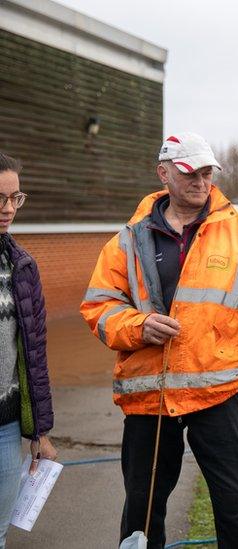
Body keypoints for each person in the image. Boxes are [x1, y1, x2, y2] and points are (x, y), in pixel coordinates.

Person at [79, 133, 238, 549]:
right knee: (142, 513)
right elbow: (99, 307)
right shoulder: (128, 240)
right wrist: (139, 326)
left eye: (207, 171)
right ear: (164, 173)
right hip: (149, 397)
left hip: (219, 393)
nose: (200, 179)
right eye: (189, 171)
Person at [0, 152, 57, 547]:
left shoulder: (23, 266)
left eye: (14, 198)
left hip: (4, 427)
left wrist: (40, 431)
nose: (7, 209)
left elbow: (33, 355)